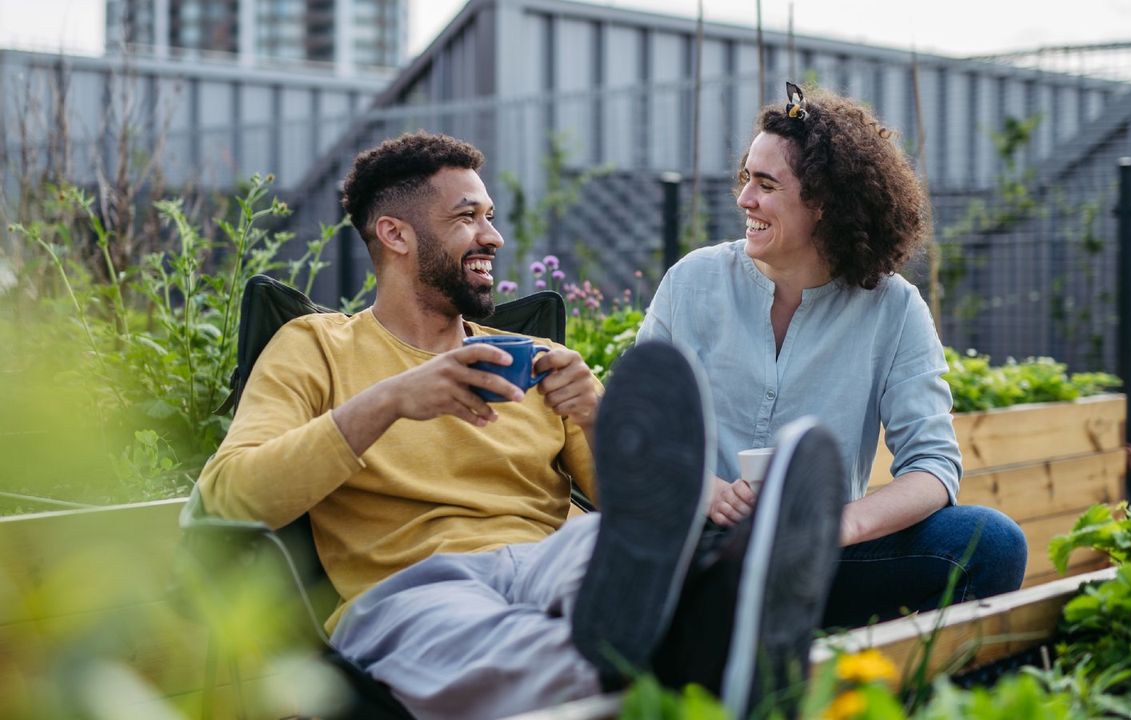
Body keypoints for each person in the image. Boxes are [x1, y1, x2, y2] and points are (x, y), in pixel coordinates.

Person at [197, 131, 847, 719]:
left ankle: (708, 595)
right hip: (416, 585)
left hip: (554, 556)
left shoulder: (529, 360)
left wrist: (594, 409)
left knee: (608, 552)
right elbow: (229, 496)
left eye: (491, 216)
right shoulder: (315, 346)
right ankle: (711, 641)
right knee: (516, 652)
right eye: (467, 218)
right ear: (395, 235)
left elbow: (631, 512)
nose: (493, 236)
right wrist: (392, 400)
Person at [638, 85, 1028, 631]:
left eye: (766, 184)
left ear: (823, 204)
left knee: (993, 544)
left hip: (820, 562)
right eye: (745, 177)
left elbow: (934, 470)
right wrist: (705, 492)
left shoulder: (894, 308)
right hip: (695, 548)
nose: (744, 198)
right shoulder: (692, 282)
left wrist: (837, 526)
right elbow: (637, 428)